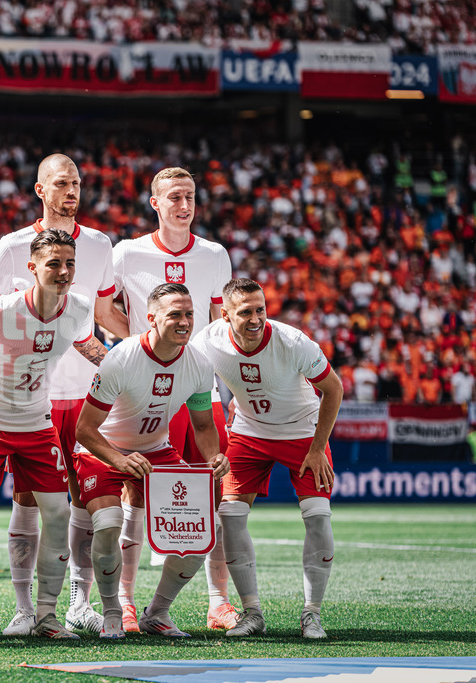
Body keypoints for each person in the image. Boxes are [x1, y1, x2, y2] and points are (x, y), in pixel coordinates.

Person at [0, 153, 128, 636]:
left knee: (85, 501)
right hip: (31, 399)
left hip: (88, 396)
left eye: (78, 184)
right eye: (62, 183)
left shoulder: (101, 244)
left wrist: (134, 356)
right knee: (27, 499)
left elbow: (101, 316)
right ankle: (24, 609)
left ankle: (77, 603)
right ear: (40, 189)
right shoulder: (11, 247)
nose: (72, 192)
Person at [0, 229, 108, 641]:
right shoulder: (1, 310)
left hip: (36, 423)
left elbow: (88, 346)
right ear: (32, 268)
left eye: (69, 264)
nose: (63, 272)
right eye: (53, 264)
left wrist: (126, 371)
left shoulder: (78, 308)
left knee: (59, 514)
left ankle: (46, 616)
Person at [111, 166, 237, 632]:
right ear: (156, 203)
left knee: (213, 496)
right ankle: (125, 601)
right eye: (175, 197)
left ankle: (217, 601)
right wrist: (136, 353)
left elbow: (221, 324)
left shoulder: (214, 255)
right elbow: (107, 308)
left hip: (200, 392)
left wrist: (232, 390)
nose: (184, 205)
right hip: (144, 395)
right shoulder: (128, 253)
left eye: (190, 196)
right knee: (135, 496)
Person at [190, 277, 343, 640]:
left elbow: (333, 388)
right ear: (224, 315)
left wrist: (318, 448)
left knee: (318, 518)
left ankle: (312, 614)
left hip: (303, 432)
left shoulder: (293, 342)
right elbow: (189, 384)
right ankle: (252, 612)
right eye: (246, 312)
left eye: (260, 309)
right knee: (229, 515)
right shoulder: (206, 342)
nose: (256, 318)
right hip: (248, 432)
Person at [75, 283, 229, 639]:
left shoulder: (199, 363)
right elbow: (85, 430)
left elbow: (204, 426)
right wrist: (120, 459)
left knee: (206, 529)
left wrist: (213, 456)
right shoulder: (122, 358)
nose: (185, 321)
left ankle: (157, 613)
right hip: (104, 449)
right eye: (175, 314)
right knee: (110, 522)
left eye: (189, 314)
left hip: (157, 450)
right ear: (151, 318)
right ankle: (113, 611)